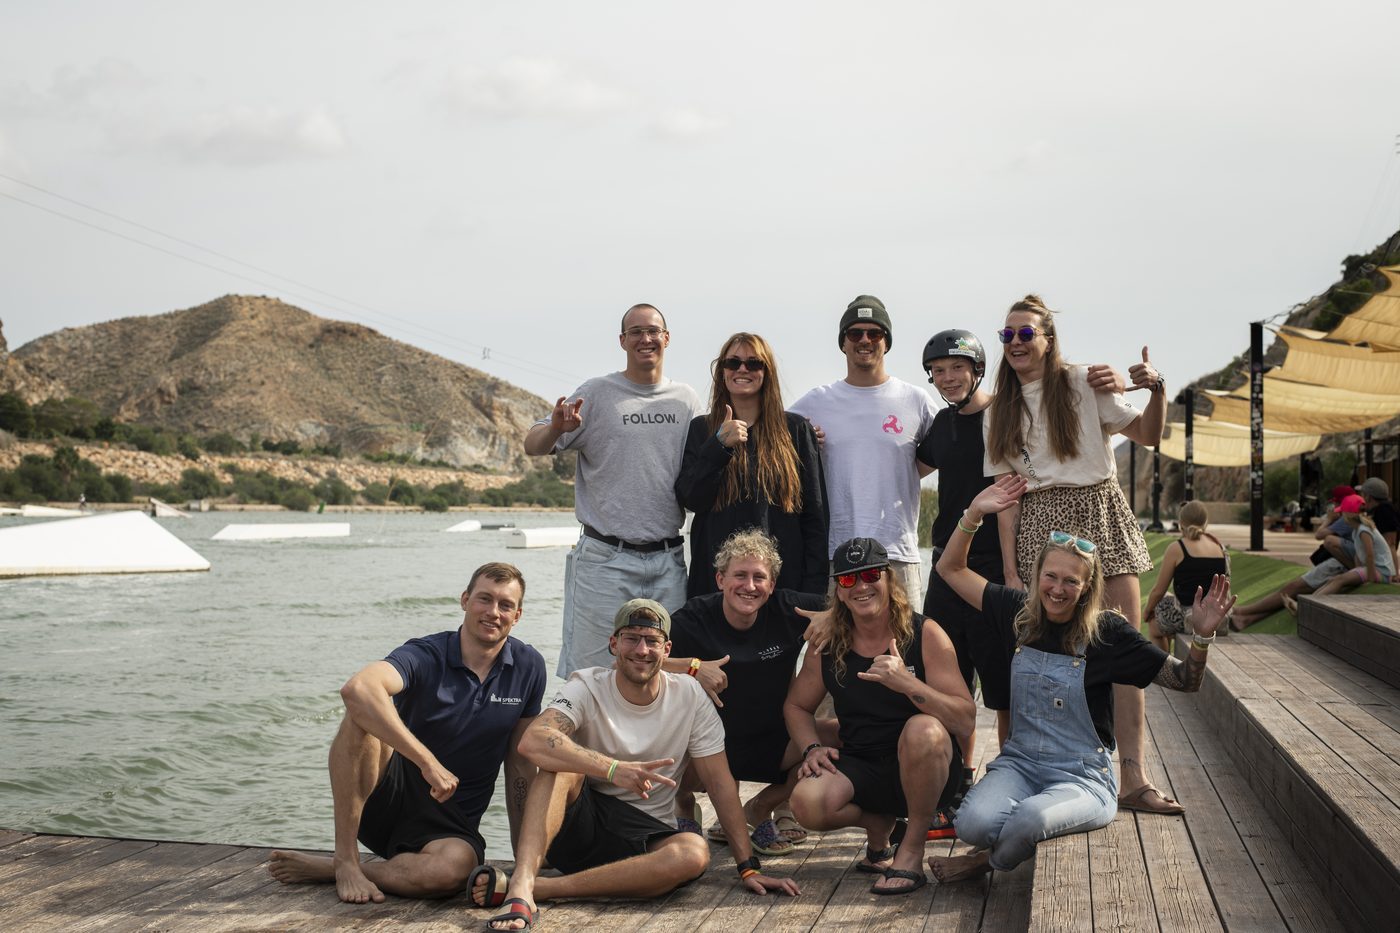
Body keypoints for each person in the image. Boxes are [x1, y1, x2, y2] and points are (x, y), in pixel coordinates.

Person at [928, 475, 1236, 884]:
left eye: (1071, 581)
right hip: (1019, 764)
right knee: (970, 823)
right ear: (1037, 574)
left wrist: (1200, 637)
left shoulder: (1108, 633)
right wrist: (974, 513)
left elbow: (1184, 680)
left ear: (1087, 585)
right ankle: (985, 845)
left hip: (1082, 777)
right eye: (1051, 577)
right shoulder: (1015, 611)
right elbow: (949, 568)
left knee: (1029, 817)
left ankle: (983, 863)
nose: (1058, 589)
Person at [472, 599, 798, 931]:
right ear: (614, 643)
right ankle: (523, 882)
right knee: (561, 763)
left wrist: (748, 867)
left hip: (643, 837)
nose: (641, 649)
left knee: (695, 853)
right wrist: (613, 769)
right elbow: (534, 739)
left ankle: (538, 889)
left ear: (667, 648)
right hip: (576, 827)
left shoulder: (689, 695)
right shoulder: (587, 685)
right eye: (631, 638)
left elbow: (719, 782)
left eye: (652, 640)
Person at [983, 294, 1176, 815]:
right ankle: (1051, 773)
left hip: (1099, 511)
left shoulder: (1081, 382)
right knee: (1050, 662)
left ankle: (1132, 778)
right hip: (1039, 522)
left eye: (1027, 334)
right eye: (1008, 335)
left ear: (1047, 339)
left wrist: (1155, 387)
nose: (1017, 343)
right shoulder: (999, 408)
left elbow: (1150, 434)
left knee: (1125, 650)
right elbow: (1005, 499)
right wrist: (1008, 568)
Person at [267, 563, 546, 904]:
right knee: (362, 716)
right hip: (387, 799)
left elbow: (519, 766)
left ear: (517, 616)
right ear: (464, 600)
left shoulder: (529, 667)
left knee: (452, 873)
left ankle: (333, 868)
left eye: (505, 605)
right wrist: (426, 761)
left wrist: (524, 865)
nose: (493, 612)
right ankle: (346, 856)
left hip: (450, 822)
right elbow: (357, 688)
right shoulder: (427, 654)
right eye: (484, 599)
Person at [783, 537, 975, 895]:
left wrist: (907, 684)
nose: (861, 586)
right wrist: (811, 748)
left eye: (870, 574)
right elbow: (796, 706)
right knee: (805, 803)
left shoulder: (925, 633)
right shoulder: (827, 644)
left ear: (889, 579)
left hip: (926, 766)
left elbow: (964, 720)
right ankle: (878, 822)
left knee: (924, 730)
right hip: (863, 762)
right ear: (838, 592)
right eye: (848, 580)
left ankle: (912, 848)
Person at [523, 303, 701, 676]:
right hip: (604, 560)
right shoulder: (597, 393)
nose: (645, 339)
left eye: (653, 331)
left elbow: (709, 464)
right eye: (635, 332)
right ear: (622, 341)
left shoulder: (686, 400)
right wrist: (556, 427)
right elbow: (533, 445)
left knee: (666, 671)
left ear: (666, 339)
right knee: (591, 673)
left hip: (667, 560)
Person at [666, 529, 832, 855]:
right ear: (720, 580)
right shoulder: (694, 617)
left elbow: (853, 605)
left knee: (843, 736)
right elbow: (637, 659)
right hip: (707, 748)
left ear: (772, 585)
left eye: (760, 577)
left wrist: (832, 618)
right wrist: (694, 667)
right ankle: (683, 803)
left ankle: (760, 807)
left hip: (773, 739)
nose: (750, 586)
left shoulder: (788, 610)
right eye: (739, 575)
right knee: (662, 731)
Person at [789, 296, 937, 604]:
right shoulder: (817, 401)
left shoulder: (915, 399)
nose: (865, 340)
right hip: (835, 555)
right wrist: (804, 444)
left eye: (875, 333)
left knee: (905, 647)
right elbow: (773, 443)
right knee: (834, 649)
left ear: (887, 342)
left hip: (898, 552)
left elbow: (948, 448)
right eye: (855, 333)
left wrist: (907, 469)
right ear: (843, 342)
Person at [675, 332, 828, 597]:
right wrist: (719, 446)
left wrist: (813, 594)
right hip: (715, 589)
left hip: (782, 588)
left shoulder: (796, 430)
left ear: (767, 371)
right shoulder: (702, 429)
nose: (742, 369)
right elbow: (691, 499)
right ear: (722, 371)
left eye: (754, 363)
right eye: (733, 363)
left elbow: (815, 518)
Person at [1282, 493, 1395, 610]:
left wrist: (1370, 578)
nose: (1340, 515)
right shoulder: (1356, 530)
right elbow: (1358, 555)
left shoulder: (1363, 530)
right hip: (1373, 570)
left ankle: (1304, 608)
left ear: (1348, 514)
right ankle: (1303, 604)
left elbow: (1370, 555)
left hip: (1382, 572)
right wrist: (1357, 571)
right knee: (1334, 579)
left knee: (1340, 580)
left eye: (1342, 512)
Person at [1144, 500, 1231, 640]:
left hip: (1190, 619)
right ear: (1206, 522)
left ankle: (1166, 661)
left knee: (1155, 624)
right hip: (1215, 619)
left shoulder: (1177, 548)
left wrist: (1147, 612)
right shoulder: (1219, 547)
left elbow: (1158, 591)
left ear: (1180, 523)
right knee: (1167, 602)